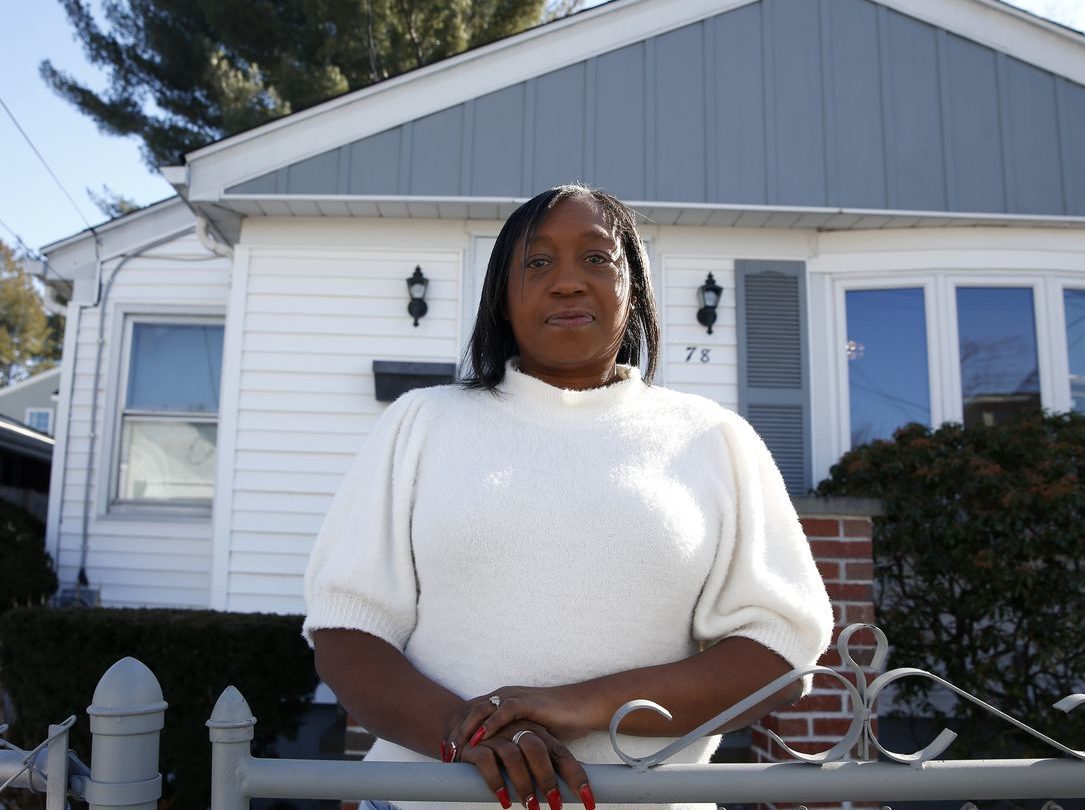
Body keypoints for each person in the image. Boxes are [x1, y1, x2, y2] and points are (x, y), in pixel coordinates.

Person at [303, 184, 833, 810]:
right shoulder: (421, 423)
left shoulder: (713, 439)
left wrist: (572, 707)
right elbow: (347, 628)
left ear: (634, 289)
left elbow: (778, 647)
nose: (567, 282)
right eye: (537, 262)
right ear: (502, 297)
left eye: (596, 258)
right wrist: (470, 735)